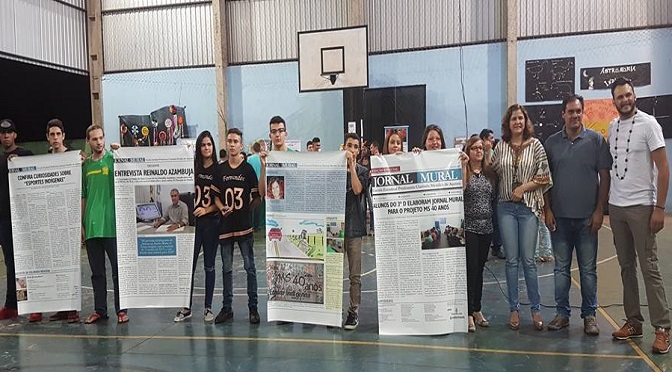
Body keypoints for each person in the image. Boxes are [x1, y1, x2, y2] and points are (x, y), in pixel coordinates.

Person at [607, 77, 671, 354]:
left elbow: (664, 168)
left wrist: (659, 208)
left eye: (628, 95)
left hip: (643, 208)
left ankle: (662, 328)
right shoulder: (612, 127)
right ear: (614, 101)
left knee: (650, 269)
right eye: (619, 97)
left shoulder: (649, 125)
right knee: (625, 267)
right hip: (617, 208)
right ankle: (633, 321)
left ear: (635, 96)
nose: (625, 100)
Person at [543, 94, 611, 336]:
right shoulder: (551, 143)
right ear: (563, 114)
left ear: (583, 113)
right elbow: (545, 180)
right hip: (559, 219)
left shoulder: (596, 141)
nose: (575, 115)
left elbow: (605, 176)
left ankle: (589, 316)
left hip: (587, 220)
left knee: (588, 270)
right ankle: (562, 314)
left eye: (578, 111)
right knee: (561, 270)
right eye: (570, 111)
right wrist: (548, 208)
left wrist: (600, 209)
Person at [491, 104, 552, 331]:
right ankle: (514, 309)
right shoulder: (500, 147)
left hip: (528, 208)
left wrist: (523, 188)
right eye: (513, 119)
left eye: (521, 118)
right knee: (512, 261)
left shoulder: (536, 145)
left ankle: (535, 309)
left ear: (526, 122)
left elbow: (544, 176)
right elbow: (492, 171)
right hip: (505, 207)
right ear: (507, 123)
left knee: (529, 260)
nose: (517, 122)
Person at [29, 119, 81, 323]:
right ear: (47, 138)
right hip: (53, 219)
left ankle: (73, 310)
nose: (55, 138)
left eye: (58, 134)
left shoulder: (74, 157)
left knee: (71, 266)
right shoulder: (45, 161)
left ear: (64, 136)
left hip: (70, 218)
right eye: (52, 134)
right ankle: (61, 307)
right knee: (57, 266)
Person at [212, 128, 262, 324]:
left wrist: (246, 211)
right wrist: (220, 207)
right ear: (227, 143)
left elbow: (257, 197)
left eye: (236, 141)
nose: (232, 144)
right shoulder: (220, 169)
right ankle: (227, 308)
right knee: (226, 269)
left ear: (241, 145)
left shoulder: (247, 169)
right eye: (229, 141)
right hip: (225, 227)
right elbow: (215, 196)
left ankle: (253, 308)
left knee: (250, 268)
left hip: (244, 227)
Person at [81, 124, 128, 324]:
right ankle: (100, 310)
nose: (99, 142)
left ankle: (121, 310)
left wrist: (122, 150)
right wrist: (81, 225)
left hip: (112, 226)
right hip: (92, 227)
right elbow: (83, 197)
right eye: (94, 139)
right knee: (97, 273)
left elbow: (132, 164)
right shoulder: (85, 167)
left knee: (118, 271)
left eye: (101, 138)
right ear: (89, 142)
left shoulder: (113, 159)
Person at [173, 131, 220, 323]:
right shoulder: (193, 167)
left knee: (209, 266)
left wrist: (207, 210)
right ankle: (186, 307)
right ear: (199, 148)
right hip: (195, 224)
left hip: (212, 222)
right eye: (203, 145)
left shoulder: (218, 169)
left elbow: (222, 201)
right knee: (188, 266)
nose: (206, 148)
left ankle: (208, 308)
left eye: (209, 144)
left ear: (213, 147)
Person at [461, 136, 496, 332]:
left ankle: (477, 308)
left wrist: (491, 152)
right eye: (474, 148)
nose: (478, 151)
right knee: (471, 269)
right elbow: (461, 189)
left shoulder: (488, 173)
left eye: (481, 148)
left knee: (480, 269)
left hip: (487, 227)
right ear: (469, 150)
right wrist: (464, 166)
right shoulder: (465, 172)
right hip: (470, 228)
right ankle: (467, 312)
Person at [0, 119, 33, 321]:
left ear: (15, 135)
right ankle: (12, 304)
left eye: (9, 133)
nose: (5, 136)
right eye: (2, 133)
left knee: (27, 261)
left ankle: (30, 304)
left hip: (24, 219)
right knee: (10, 262)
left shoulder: (25, 155)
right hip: (4, 220)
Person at [342, 133, 369, 330]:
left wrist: (351, 166)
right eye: (349, 145)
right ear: (343, 146)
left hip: (354, 228)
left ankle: (353, 311)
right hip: (334, 229)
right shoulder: (332, 169)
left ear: (359, 151)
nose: (352, 149)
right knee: (332, 272)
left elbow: (357, 190)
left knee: (355, 275)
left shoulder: (362, 170)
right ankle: (331, 309)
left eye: (355, 146)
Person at [480, 128, 505, 260]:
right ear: (484, 139)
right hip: (481, 193)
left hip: (494, 192)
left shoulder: (495, 152)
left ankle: (497, 247)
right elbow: (487, 168)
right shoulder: (478, 152)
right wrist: (488, 151)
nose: (492, 141)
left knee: (496, 221)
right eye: (490, 138)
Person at [246, 142, 264, 231]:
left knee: (250, 205)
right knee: (258, 206)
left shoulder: (249, 159)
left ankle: (250, 224)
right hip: (261, 184)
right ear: (260, 149)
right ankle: (257, 226)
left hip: (251, 185)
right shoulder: (262, 159)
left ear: (253, 149)